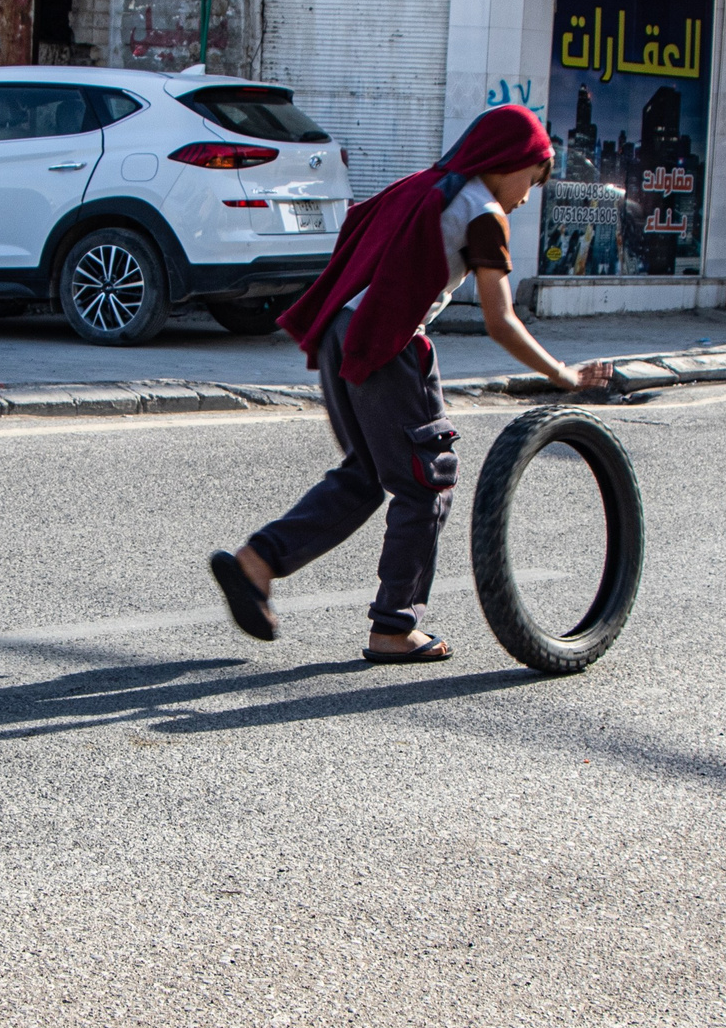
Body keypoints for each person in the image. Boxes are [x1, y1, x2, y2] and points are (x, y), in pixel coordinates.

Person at [207, 105, 612, 663]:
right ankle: (395, 626)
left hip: (341, 331)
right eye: (533, 178)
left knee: (365, 475)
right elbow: (500, 320)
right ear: (508, 160)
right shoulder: (483, 213)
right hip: (387, 341)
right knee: (427, 483)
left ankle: (258, 562)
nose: (528, 196)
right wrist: (562, 374)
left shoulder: (425, 184)